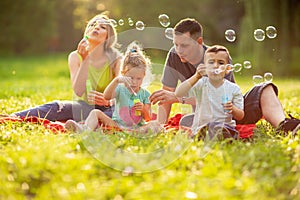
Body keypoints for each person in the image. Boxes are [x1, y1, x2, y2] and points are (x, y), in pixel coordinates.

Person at [149, 18, 300, 135]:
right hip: (205, 115)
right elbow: (166, 94)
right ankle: (214, 131)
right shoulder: (174, 56)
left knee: (265, 88)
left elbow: (217, 96)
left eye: (184, 45)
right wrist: (160, 124)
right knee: (188, 121)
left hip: (231, 110)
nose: (179, 50)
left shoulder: (218, 59)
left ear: (199, 42)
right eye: (176, 44)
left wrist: (176, 97)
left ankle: (284, 125)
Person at [9, 13, 122, 122]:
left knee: (119, 111)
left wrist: (108, 101)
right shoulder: (75, 57)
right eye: (93, 25)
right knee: (58, 106)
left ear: (109, 36)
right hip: (84, 107)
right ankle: (14, 116)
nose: (96, 27)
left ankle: (92, 122)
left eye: (102, 27)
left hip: (110, 107)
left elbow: (124, 92)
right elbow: (78, 91)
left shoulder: (116, 58)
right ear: (87, 32)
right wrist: (85, 60)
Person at [65, 42, 160, 133]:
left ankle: (137, 132)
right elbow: (106, 96)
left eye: (138, 78)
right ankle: (84, 130)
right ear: (123, 74)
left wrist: (143, 109)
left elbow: (148, 117)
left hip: (137, 128)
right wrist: (116, 81)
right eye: (131, 78)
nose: (134, 82)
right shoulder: (120, 89)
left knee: (155, 124)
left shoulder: (145, 94)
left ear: (143, 75)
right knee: (95, 112)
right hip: (116, 125)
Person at [175, 45, 244, 139]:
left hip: (225, 127)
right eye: (211, 62)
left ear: (228, 69)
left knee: (220, 129)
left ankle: (219, 135)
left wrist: (233, 109)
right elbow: (178, 93)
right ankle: (206, 135)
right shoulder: (201, 84)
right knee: (205, 129)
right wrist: (196, 76)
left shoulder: (233, 89)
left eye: (220, 62)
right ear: (205, 66)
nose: (215, 66)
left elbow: (240, 116)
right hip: (202, 128)